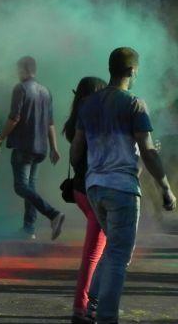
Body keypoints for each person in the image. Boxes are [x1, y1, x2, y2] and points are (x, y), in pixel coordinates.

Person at [70, 47, 176, 324]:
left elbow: (76, 149)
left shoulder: (88, 104)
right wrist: (165, 187)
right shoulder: (134, 103)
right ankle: (106, 317)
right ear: (131, 70)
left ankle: (93, 301)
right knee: (119, 255)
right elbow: (148, 151)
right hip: (122, 188)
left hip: (94, 187)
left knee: (113, 247)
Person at [0, 56, 65, 240]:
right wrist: (54, 147)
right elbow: (50, 123)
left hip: (23, 145)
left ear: (23, 69)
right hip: (40, 147)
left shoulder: (20, 89)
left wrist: (1, 137)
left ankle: (53, 214)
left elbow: (14, 117)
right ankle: (29, 228)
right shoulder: (45, 91)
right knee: (30, 187)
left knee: (21, 187)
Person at [63, 76, 107, 324]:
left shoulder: (75, 121)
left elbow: (75, 156)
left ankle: (91, 304)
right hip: (94, 192)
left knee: (99, 252)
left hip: (81, 191)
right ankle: (82, 308)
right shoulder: (93, 121)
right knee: (93, 255)